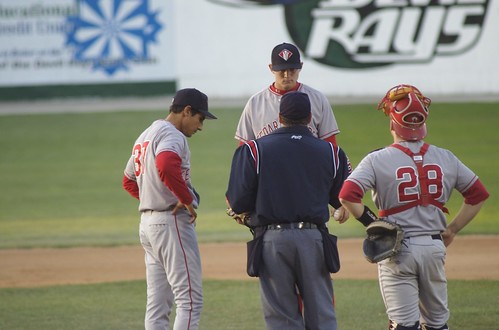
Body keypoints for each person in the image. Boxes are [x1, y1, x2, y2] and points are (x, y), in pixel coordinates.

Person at [338, 84, 489, 330]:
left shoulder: (377, 159)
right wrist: (452, 229)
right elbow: (478, 195)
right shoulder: (446, 157)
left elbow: (347, 195)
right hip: (434, 249)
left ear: (392, 125)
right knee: (438, 324)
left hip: (397, 251)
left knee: (404, 326)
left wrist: (374, 224)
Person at [226, 91, 350, 330]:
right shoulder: (332, 153)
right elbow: (341, 199)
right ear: (309, 117)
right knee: (322, 316)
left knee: (282, 319)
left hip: (272, 241)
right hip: (314, 240)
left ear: (280, 117)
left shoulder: (254, 150)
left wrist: (246, 213)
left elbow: (238, 202)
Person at [122, 88, 217, 330]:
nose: (201, 126)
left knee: (157, 304)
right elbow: (165, 164)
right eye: (200, 118)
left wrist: (154, 196)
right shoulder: (173, 136)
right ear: (187, 111)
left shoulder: (146, 134)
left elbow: (129, 180)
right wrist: (184, 198)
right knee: (190, 300)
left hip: (148, 226)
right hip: (170, 224)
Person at [235, 42, 340, 146]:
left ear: (300, 66)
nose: (287, 75)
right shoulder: (255, 103)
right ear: (271, 68)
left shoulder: (317, 99)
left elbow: (330, 145)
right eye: (282, 69)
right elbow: (244, 149)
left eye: (292, 69)